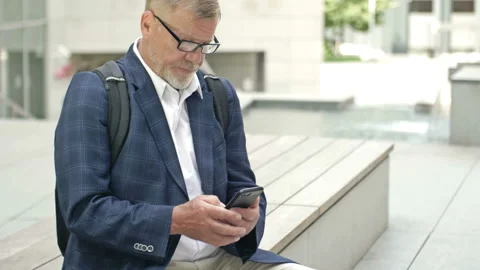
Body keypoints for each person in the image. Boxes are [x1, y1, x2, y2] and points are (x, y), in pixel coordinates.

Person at [54, 0, 315, 269]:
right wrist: (177, 221)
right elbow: (84, 211)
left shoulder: (219, 94)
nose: (196, 58)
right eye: (187, 43)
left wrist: (248, 218)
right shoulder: (96, 91)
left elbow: (242, 185)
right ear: (148, 24)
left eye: (205, 45)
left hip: (224, 259)